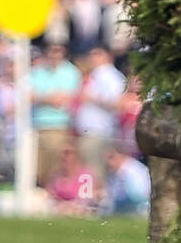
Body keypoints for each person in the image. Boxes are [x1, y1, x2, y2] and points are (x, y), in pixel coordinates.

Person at [30, 42, 81, 186]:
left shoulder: (71, 73)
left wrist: (41, 97)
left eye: (58, 51)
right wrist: (48, 98)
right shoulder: (37, 71)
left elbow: (65, 100)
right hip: (36, 125)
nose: (54, 54)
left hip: (58, 126)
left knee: (53, 165)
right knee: (35, 166)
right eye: (51, 50)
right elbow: (27, 96)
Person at [73, 46, 126, 171]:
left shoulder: (110, 75)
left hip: (99, 132)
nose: (93, 57)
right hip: (88, 133)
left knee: (95, 172)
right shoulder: (96, 74)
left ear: (108, 56)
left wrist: (92, 98)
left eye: (97, 54)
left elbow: (118, 103)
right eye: (91, 54)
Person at [102, 144, 150, 215]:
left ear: (121, 155)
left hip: (139, 209)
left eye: (111, 157)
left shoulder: (134, 170)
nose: (109, 162)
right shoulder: (117, 171)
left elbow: (139, 195)